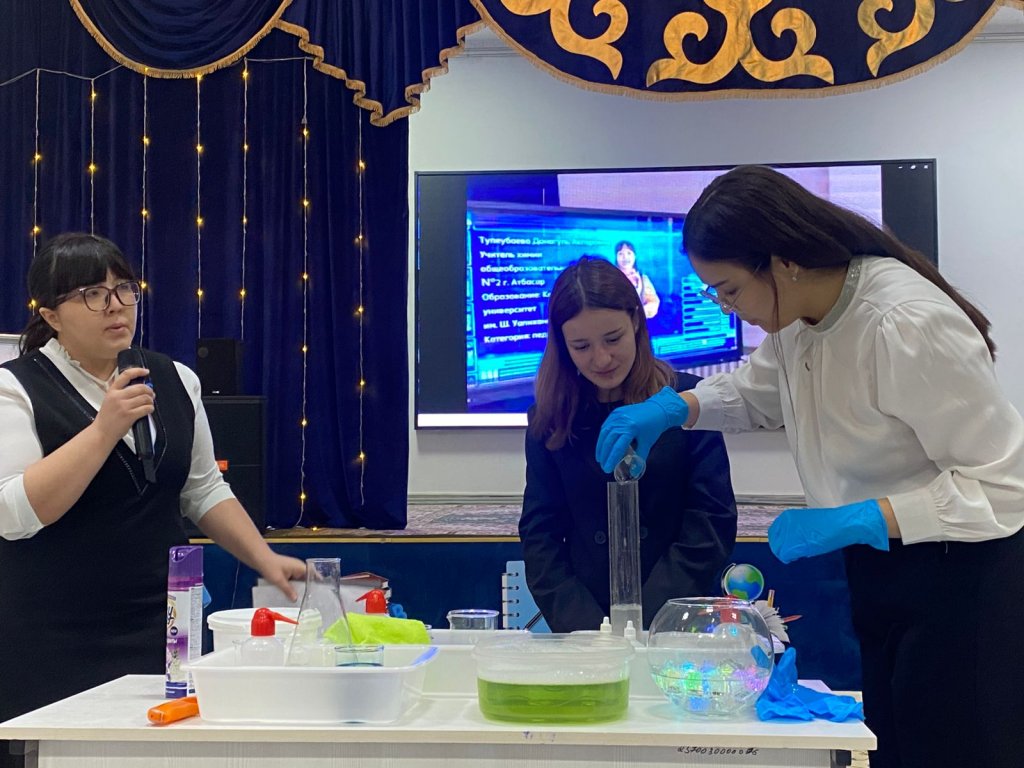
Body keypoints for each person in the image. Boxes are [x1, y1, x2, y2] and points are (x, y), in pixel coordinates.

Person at [595, 166, 1024, 767]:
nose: (727, 308)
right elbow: (759, 391)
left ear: (785, 261)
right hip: (881, 566)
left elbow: (1004, 487)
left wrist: (862, 518)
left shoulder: (905, 321)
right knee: (894, 745)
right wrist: (674, 408)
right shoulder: (801, 317)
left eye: (730, 290)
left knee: (953, 748)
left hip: (960, 575)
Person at [0, 234, 307, 746]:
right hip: (53, 630)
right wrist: (103, 430)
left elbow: (203, 489)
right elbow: (14, 513)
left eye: (124, 289)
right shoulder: (15, 388)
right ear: (51, 315)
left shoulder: (173, 378)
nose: (115, 305)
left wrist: (264, 558)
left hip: (161, 625)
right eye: (92, 294)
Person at [520, 255, 737, 633]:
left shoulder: (685, 400)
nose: (601, 358)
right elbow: (541, 536)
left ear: (636, 321)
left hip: (675, 618)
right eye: (581, 346)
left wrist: (649, 621)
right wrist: (588, 629)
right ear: (563, 345)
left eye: (613, 339)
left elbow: (710, 520)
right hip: (586, 626)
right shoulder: (550, 418)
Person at [614, 240, 660, 319]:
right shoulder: (610, 278)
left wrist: (637, 313)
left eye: (629, 253)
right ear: (616, 257)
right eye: (621, 254)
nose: (625, 257)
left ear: (635, 256)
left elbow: (653, 304)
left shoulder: (643, 279)